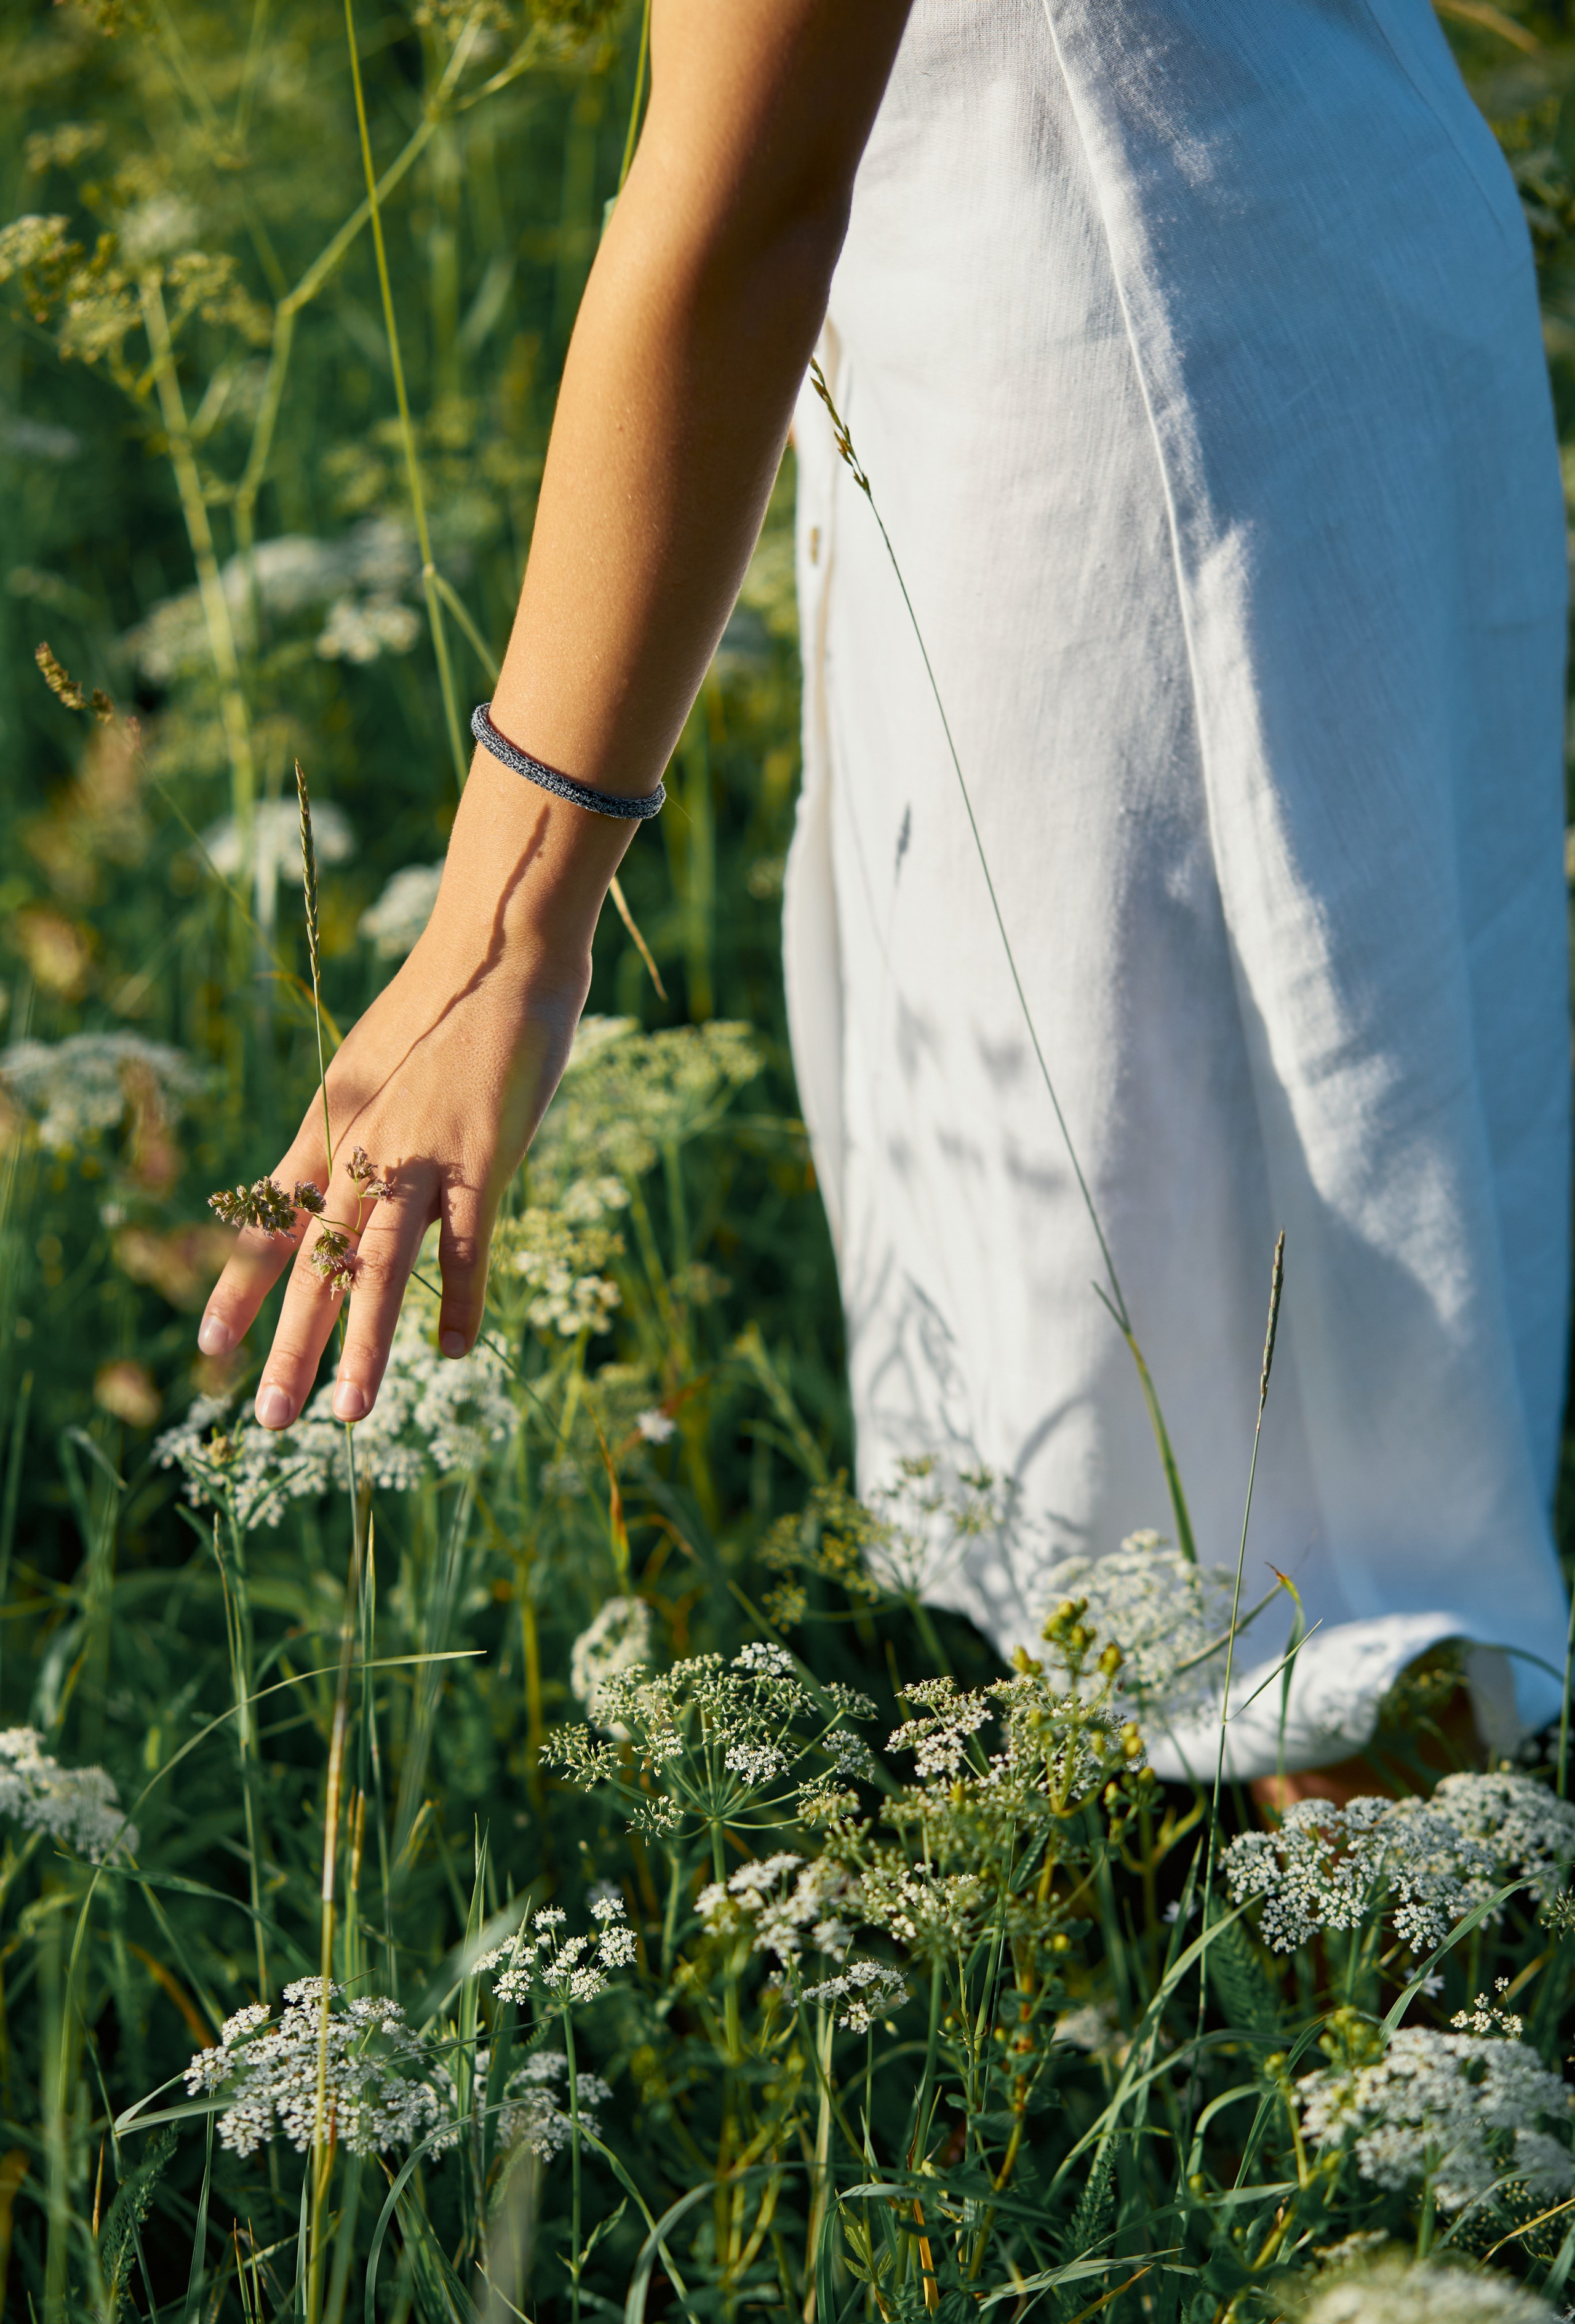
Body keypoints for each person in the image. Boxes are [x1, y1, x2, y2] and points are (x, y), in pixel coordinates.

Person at [198, 0, 1573, 1789]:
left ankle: (1402, 2008)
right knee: (1295, 1412)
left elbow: (743, 197)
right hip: (1259, 302)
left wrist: (502, 928)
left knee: (1290, 1503)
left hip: (1157, 436)